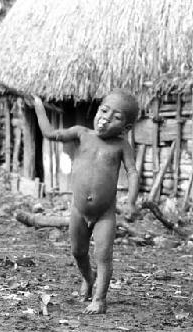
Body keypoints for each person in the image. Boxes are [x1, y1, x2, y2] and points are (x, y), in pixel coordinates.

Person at [32, 89, 139, 314]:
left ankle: (99, 299)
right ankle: (89, 280)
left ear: (126, 128)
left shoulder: (121, 146)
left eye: (116, 117)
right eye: (104, 110)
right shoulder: (81, 133)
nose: (106, 118)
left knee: (103, 256)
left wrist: (130, 202)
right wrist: (39, 107)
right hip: (79, 210)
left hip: (105, 214)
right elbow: (50, 134)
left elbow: (132, 172)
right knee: (78, 252)